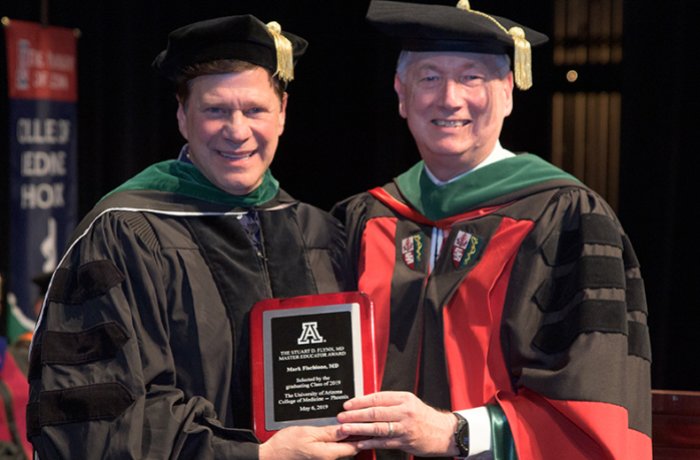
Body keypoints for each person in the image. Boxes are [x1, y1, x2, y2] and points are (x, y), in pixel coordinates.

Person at [26, 14, 360, 460]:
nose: (237, 131)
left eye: (255, 110)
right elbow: (101, 418)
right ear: (183, 117)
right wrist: (258, 456)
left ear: (282, 113)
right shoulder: (126, 234)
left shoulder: (317, 232)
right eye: (215, 110)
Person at [332, 1, 652, 458]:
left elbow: (593, 394)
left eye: (472, 77)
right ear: (401, 94)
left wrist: (454, 432)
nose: (449, 98)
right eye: (429, 77)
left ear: (507, 91)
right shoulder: (364, 220)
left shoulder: (565, 217)